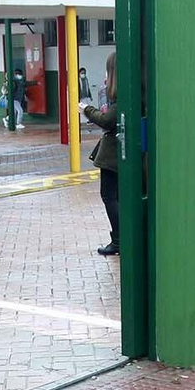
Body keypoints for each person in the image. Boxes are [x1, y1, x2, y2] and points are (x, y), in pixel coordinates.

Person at [81, 51, 119, 256]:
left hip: (113, 155)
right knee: (116, 197)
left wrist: (87, 110)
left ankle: (119, 240)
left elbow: (107, 120)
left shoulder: (121, 96)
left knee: (109, 196)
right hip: (117, 154)